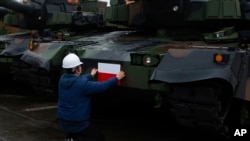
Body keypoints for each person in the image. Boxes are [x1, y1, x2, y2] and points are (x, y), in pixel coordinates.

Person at [57, 53, 125, 141]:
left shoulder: (62, 79)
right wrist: (116, 78)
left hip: (63, 121)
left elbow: (79, 80)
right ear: (77, 69)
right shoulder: (82, 85)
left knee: (74, 134)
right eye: (80, 66)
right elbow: (102, 86)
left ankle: (71, 138)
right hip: (78, 124)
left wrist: (90, 75)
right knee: (98, 137)